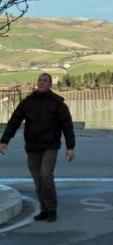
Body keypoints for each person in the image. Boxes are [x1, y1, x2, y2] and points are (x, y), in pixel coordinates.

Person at [0, 73, 75, 222]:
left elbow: (67, 126)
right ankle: (44, 208)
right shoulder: (28, 102)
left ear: (50, 84)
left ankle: (52, 208)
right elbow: (14, 121)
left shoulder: (57, 103)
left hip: (50, 146)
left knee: (46, 175)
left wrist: (70, 147)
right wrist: (4, 141)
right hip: (32, 147)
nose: (41, 83)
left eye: (45, 81)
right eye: (39, 81)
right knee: (38, 180)